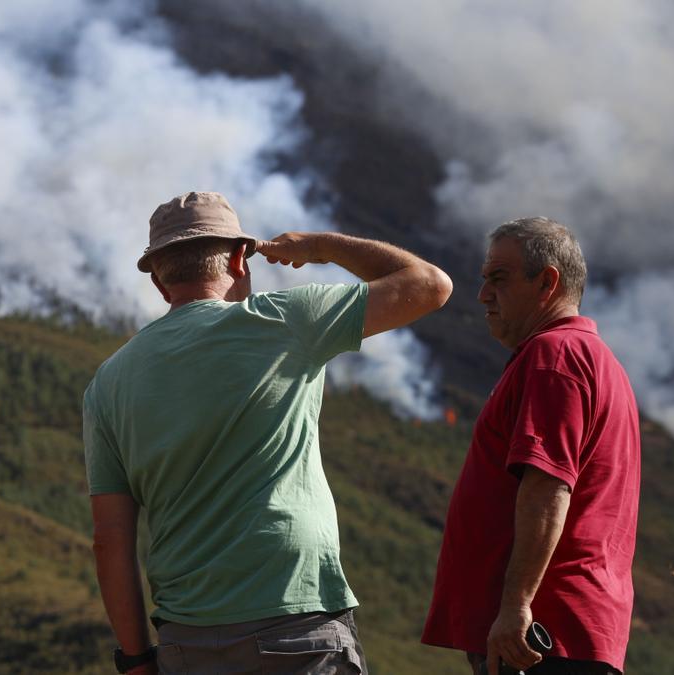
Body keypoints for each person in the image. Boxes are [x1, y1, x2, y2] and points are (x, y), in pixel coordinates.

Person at [83, 191, 452, 674]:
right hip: (294, 624)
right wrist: (323, 246)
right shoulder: (286, 320)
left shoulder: (107, 383)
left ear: (158, 279)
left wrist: (135, 660)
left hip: (185, 639)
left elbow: (111, 539)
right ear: (240, 259)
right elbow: (431, 285)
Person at [421, 218, 640, 675]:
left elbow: (548, 486)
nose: (483, 295)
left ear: (547, 282)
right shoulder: (594, 361)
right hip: (567, 633)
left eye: (498, 279)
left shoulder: (554, 357)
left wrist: (518, 606)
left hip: (541, 638)